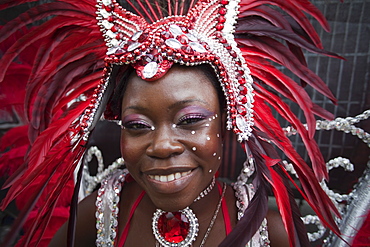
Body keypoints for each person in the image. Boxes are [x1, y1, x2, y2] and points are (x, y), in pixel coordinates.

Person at [0, 0, 341, 246]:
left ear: (227, 123)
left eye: (190, 120)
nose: (162, 145)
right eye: (137, 125)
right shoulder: (102, 215)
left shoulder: (268, 233)